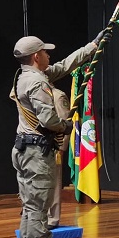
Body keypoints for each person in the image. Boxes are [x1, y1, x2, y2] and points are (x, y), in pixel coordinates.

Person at [11, 31, 107, 238]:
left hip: (25, 149)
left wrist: (93, 45)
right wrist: (64, 125)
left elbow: (65, 65)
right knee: (38, 209)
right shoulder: (36, 82)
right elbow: (47, 119)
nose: (48, 55)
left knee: (30, 208)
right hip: (36, 151)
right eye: (44, 52)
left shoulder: (24, 76)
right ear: (35, 56)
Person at [46, 82, 71, 229]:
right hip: (37, 146)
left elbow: (65, 123)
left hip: (54, 145)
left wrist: (61, 147)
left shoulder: (58, 96)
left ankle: (52, 219)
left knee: (54, 182)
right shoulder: (35, 95)